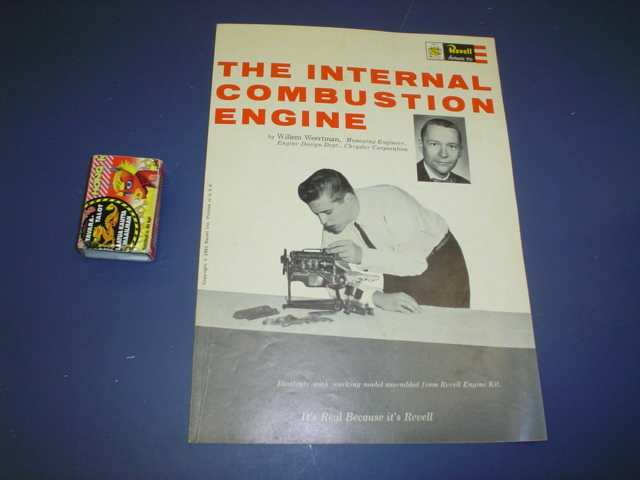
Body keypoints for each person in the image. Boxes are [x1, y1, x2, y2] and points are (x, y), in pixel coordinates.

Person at [298, 169, 470, 313]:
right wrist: (376, 297)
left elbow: (416, 265)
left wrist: (361, 256)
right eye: (317, 214)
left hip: (439, 264)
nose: (323, 221)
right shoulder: (332, 227)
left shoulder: (392, 201)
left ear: (348, 199)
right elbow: (333, 282)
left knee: (449, 333)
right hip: (394, 272)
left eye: (327, 212)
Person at [417, 118, 470, 183]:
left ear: (460, 151)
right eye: (434, 144)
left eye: (452, 146)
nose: (443, 154)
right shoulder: (409, 174)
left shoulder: (465, 182)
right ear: (421, 145)